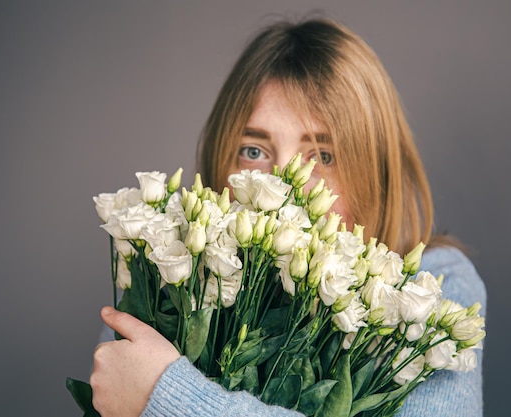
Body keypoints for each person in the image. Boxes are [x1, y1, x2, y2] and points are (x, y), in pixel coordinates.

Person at [90, 18, 486, 417]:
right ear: (218, 159)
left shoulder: (435, 287)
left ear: (375, 171)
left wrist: (164, 394)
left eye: (322, 156)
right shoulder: (163, 275)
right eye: (254, 151)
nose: (283, 188)